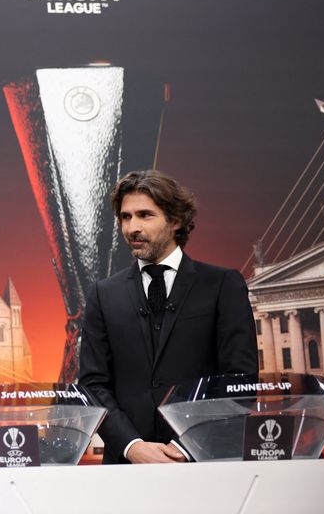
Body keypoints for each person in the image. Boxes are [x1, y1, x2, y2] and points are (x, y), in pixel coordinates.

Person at [79, 170, 257, 464]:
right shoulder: (102, 294)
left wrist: (186, 448)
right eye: (125, 217)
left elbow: (239, 380)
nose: (132, 227)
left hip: (206, 463)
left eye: (145, 215)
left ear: (175, 221)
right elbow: (93, 385)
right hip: (125, 467)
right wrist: (133, 446)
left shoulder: (223, 284)